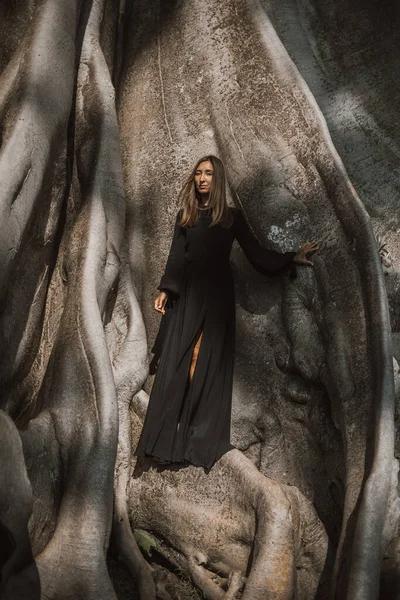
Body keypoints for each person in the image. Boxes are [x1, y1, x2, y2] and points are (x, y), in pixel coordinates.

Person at [134, 155, 318, 471]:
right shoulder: (186, 217)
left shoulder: (231, 218)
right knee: (179, 358)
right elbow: (176, 258)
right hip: (188, 294)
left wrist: (291, 258)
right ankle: (165, 439)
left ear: (217, 179)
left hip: (217, 294)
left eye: (208, 174)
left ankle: (194, 434)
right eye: (198, 173)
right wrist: (166, 289)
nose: (202, 178)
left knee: (204, 359)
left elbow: (257, 253)